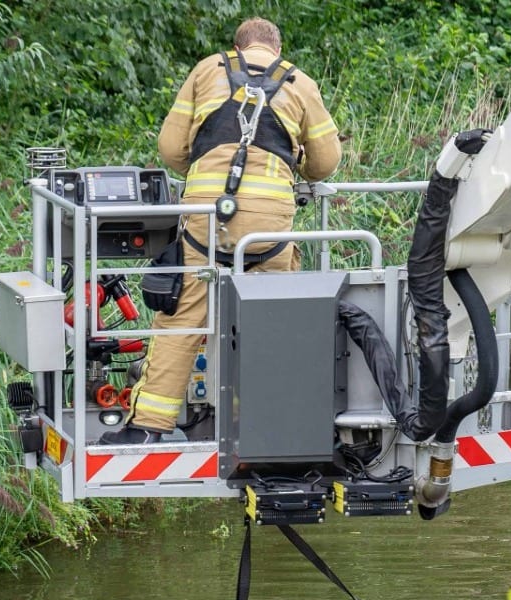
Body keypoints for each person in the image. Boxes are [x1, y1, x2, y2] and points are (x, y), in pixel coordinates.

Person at [100, 16, 343, 445]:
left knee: (180, 321)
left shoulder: (207, 70)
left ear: (238, 46)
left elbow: (171, 150)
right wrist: (295, 160)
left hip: (207, 219)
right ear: (276, 49)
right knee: (275, 321)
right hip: (268, 230)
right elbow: (325, 164)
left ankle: (148, 428)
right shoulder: (300, 83)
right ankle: (277, 429)